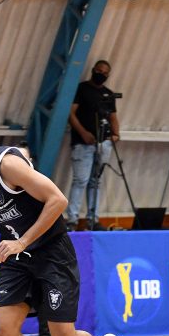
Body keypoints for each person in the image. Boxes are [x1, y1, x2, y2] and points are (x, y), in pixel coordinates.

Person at [0, 122, 134, 336]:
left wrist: (22, 241)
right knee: (3, 330)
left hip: (51, 252)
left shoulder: (8, 165)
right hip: (18, 257)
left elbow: (58, 200)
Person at [0, 145, 53, 336]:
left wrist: (25, 241)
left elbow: (57, 202)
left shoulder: (33, 183)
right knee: (12, 300)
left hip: (39, 246)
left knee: (42, 294)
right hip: (12, 249)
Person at [66, 59, 120, 232]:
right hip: (83, 143)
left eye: (105, 73)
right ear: (93, 70)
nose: (101, 75)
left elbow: (113, 117)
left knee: (96, 181)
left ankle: (92, 219)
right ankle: (72, 219)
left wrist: (116, 134)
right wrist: (83, 132)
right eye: (99, 71)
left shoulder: (108, 94)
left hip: (103, 143)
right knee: (80, 180)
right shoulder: (82, 89)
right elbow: (71, 114)